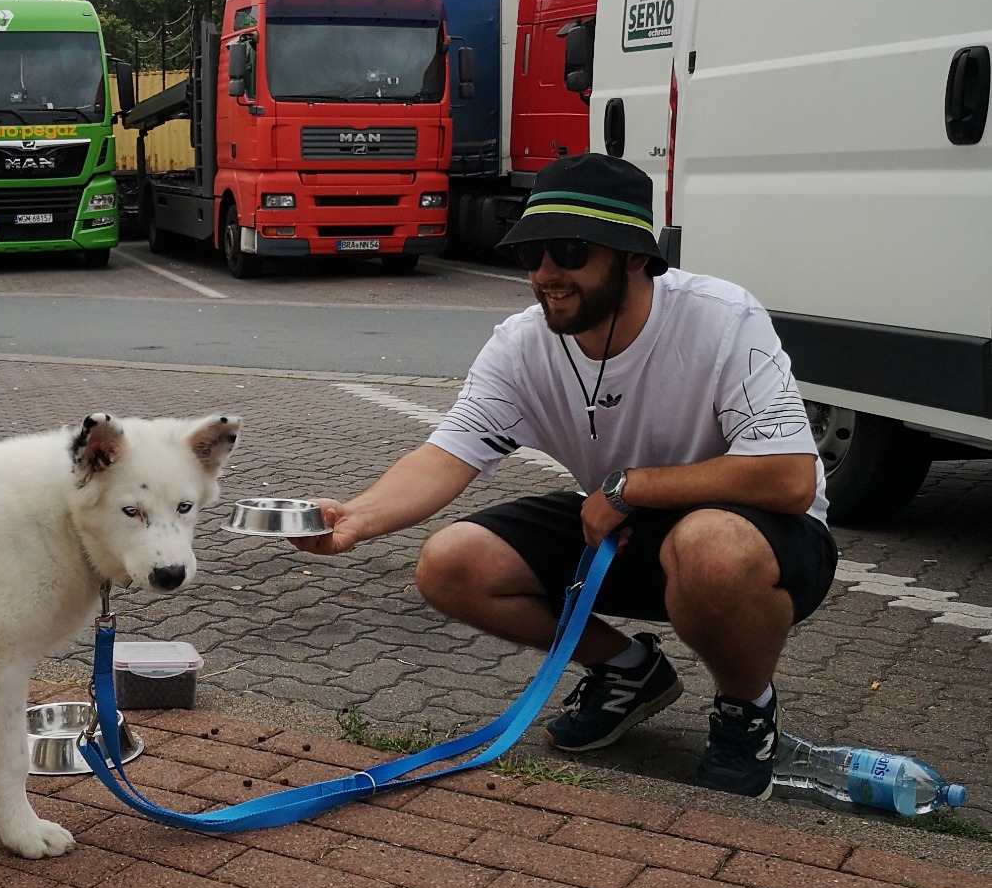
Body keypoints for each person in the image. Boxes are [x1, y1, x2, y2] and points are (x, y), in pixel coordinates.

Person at [294, 154, 836, 798]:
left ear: (633, 255)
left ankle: (747, 710)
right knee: (451, 562)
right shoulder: (522, 343)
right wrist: (357, 518)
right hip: (622, 531)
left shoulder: (721, 318)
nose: (545, 273)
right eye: (531, 253)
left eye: (570, 251)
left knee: (709, 546)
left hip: (759, 540)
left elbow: (789, 478)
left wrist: (629, 487)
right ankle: (629, 671)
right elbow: (448, 452)